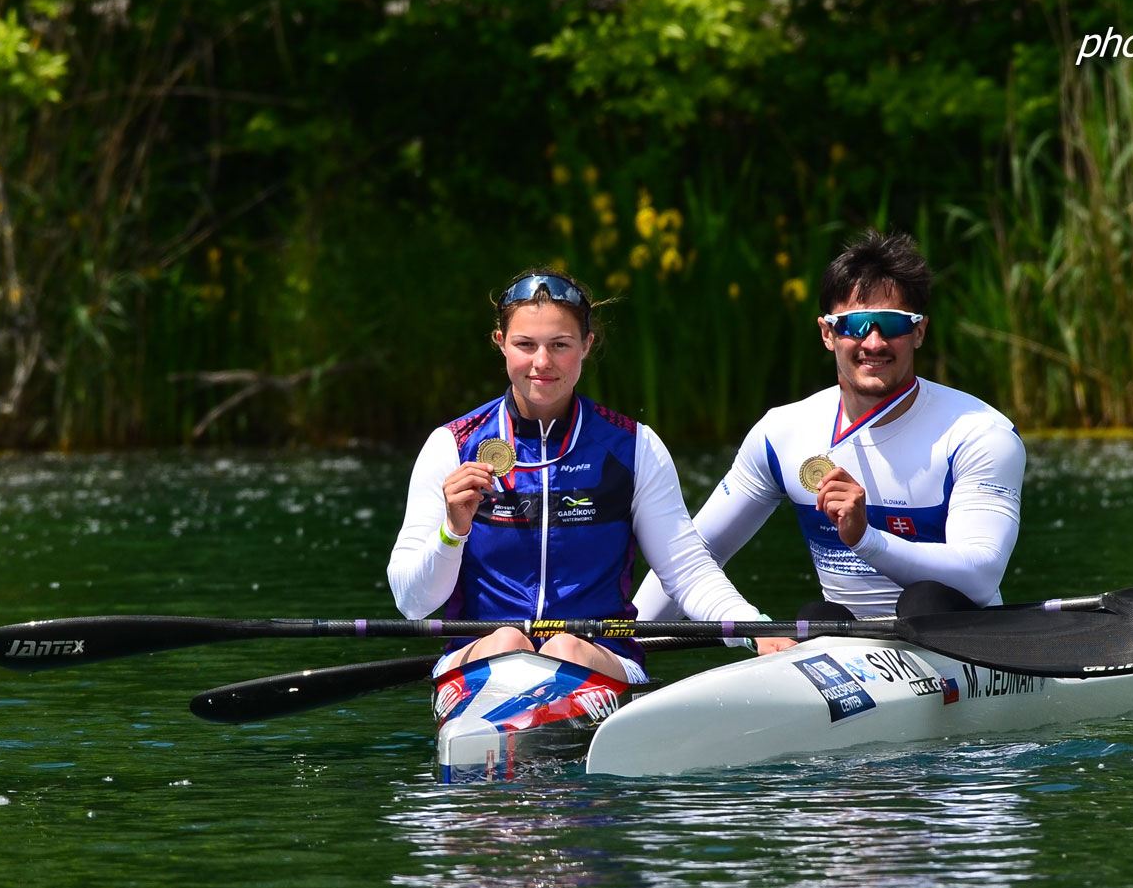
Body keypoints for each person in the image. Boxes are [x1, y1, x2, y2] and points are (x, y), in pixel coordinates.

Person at [631, 229, 1025, 651]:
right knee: (815, 618)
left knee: (923, 600)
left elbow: (982, 575)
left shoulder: (979, 433)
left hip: (962, 642)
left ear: (920, 332)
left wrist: (866, 539)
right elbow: (689, 557)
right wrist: (616, 647)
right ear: (827, 333)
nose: (874, 342)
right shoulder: (782, 433)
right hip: (845, 646)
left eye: (892, 324)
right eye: (855, 325)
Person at [387, 268, 763, 685]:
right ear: (501, 345)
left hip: (600, 654)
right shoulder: (450, 446)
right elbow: (412, 603)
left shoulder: (633, 447)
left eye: (560, 345)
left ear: (586, 345)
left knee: (564, 645)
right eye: (525, 345)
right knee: (507, 644)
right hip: (480, 652)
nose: (542, 363)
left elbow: (688, 572)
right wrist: (452, 531)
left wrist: (755, 629)